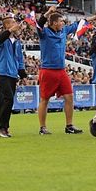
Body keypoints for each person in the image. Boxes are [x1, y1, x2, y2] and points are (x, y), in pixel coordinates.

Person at [30, 7, 84, 135]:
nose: (63, 23)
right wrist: (48, 12)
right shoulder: (44, 32)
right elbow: (39, 24)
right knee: (45, 99)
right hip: (48, 70)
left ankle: (69, 126)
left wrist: (88, 19)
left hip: (61, 70)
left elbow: (77, 25)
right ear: (54, 23)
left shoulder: (63, 31)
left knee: (69, 96)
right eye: (61, 21)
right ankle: (42, 128)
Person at [0, 16, 28, 138]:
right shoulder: (0, 39)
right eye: (12, 23)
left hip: (12, 73)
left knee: (9, 101)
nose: (15, 24)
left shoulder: (16, 42)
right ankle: (1, 127)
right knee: (8, 99)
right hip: (2, 72)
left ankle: (4, 127)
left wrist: (21, 71)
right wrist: (10, 30)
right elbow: (1, 38)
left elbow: (19, 58)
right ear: (7, 26)